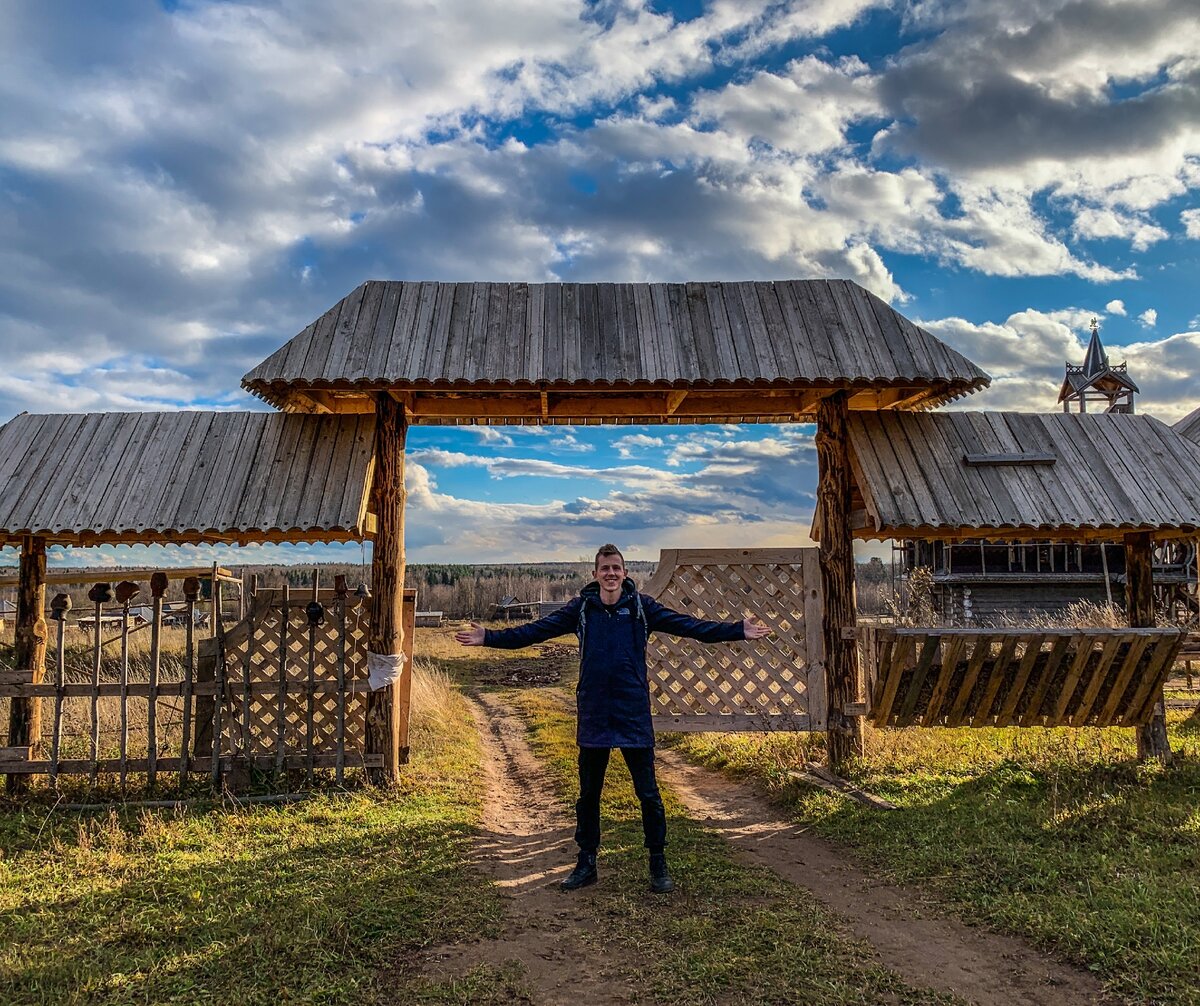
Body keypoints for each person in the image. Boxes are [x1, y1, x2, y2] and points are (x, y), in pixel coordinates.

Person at [456, 543, 770, 894]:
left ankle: (657, 862)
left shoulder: (641, 608)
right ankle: (586, 862)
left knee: (649, 794)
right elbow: (533, 632)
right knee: (589, 794)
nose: (610, 574)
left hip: (633, 712)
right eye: (604, 568)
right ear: (595, 574)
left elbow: (690, 627)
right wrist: (488, 638)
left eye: (616, 568)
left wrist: (737, 630)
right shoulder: (581, 610)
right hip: (595, 713)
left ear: (625, 573)